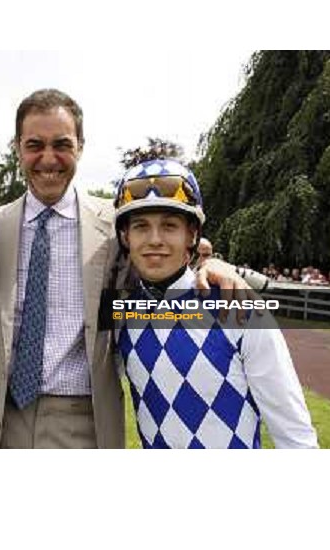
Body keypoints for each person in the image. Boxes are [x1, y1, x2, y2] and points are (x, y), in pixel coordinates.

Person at [0, 89, 255, 449]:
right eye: (34, 144)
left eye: (62, 144)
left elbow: (166, 258)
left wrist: (210, 262)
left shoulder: (116, 227)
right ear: (18, 147)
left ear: (80, 146)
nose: (48, 159)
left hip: (83, 422)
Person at [112, 159, 318, 448]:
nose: (154, 240)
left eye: (169, 226)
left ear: (192, 235)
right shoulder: (121, 316)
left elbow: (295, 434)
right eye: (141, 227)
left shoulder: (240, 309)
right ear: (125, 237)